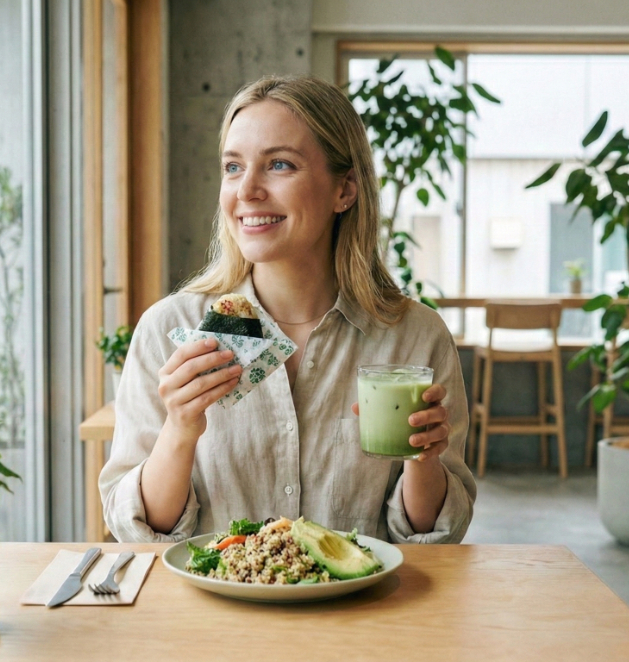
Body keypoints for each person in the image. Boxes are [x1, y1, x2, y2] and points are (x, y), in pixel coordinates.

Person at [100, 75, 476, 544]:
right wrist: (180, 430)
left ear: (345, 190)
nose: (247, 190)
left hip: (361, 614)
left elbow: (433, 539)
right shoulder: (168, 329)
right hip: (213, 615)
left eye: (279, 164)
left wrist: (425, 458)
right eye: (233, 167)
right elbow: (137, 532)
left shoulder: (415, 336)